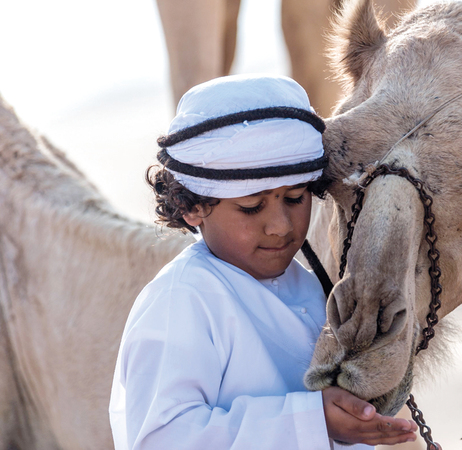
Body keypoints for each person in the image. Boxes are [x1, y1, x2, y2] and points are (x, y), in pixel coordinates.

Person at [108, 74, 418, 449]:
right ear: (192, 207)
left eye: (295, 198)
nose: (280, 226)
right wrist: (311, 421)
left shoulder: (312, 286)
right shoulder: (182, 299)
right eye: (251, 207)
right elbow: (162, 439)